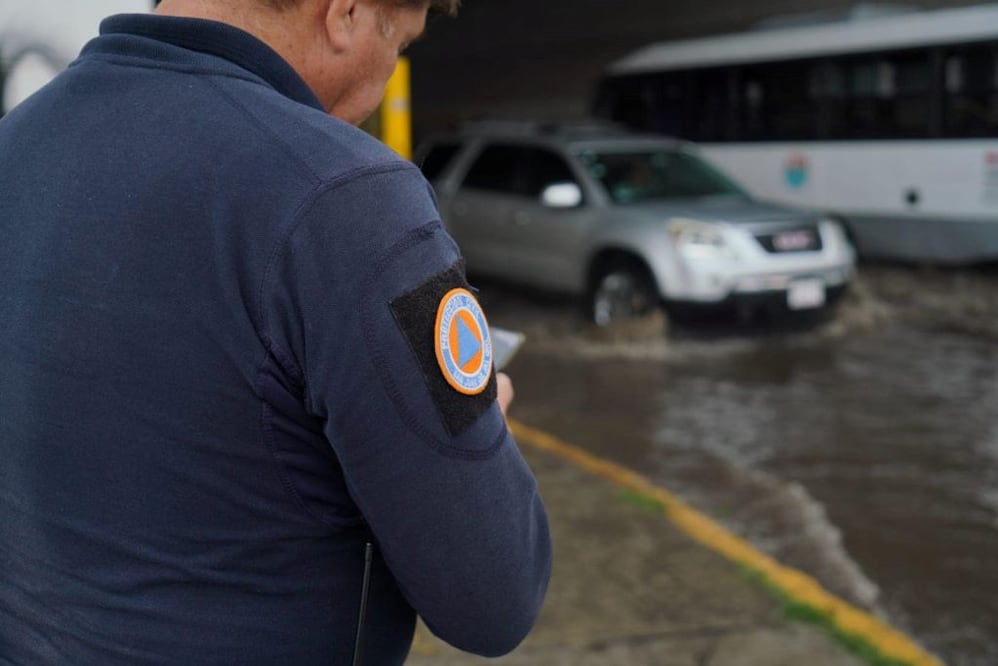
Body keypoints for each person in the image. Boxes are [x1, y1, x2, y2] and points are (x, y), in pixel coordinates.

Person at [0, 0, 552, 664]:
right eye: (397, 45)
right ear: (346, 13)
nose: (380, 88)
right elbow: (492, 597)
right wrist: (477, 422)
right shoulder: (347, 196)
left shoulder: (17, 145)